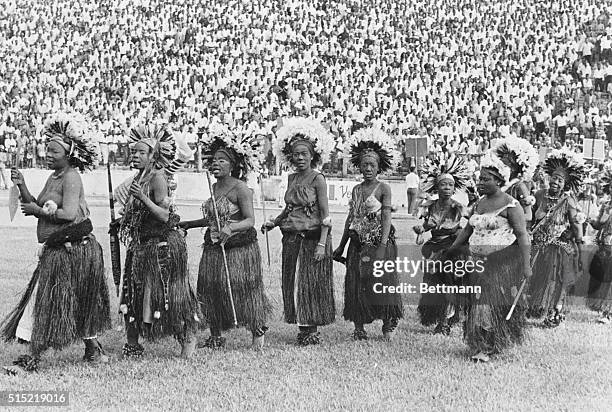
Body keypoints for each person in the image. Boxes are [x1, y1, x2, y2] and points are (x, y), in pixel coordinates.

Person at [2, 112, 111, 374]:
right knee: (72, 300)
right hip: (62, 249)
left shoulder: (71, 177)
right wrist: (22, 184)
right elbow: (36, 204)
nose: (47, 154)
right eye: (46, 149)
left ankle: (35, 357)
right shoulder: (54, 177)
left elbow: (69, 214)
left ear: (68, 154)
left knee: (55, 300)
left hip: (75, 250)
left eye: (53, 150)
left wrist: (38, 211)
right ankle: (93, 350)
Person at [179, 123, 271, 349]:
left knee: (244, 289)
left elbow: (250, 220)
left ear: (233, 164)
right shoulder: (214, 186)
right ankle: (215, 335)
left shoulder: (241, 188)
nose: (216, 164)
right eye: (214, 160)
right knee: (211, 288)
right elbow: (214, 219)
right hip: (214, 247)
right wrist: (188, 224)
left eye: (222, 160)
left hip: (239, 249)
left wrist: (231, 229)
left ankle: (257, 332)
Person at [116, 123, 200, 359]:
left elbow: (163, 215)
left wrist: (142, 197)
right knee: (133, 294)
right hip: (141, 246)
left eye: (142, 152)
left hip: (161, 246)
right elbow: (136, 214)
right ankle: (133, 345)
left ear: (154, 156)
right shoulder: (138, 177)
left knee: (170, 295)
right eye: (134, 151)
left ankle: (188, 339)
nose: (136, 155)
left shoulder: (158, 178)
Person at [447, 152, 531, 362]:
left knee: (490, 303)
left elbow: (522, 235)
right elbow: (467, 231)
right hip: (475, 262)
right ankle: (479, 342)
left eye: (486, 179)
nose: (480, 182)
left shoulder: (512, 205)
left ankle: (489, 345)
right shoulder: (479, 204)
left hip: (499, 263)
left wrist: (527, 265)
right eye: (480, 178)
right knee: (476, 303)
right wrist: (451, 251)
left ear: (499, 181)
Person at [262, 117, 335, 346]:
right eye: (296, 154)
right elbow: (289, 207)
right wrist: (274, 222)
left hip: (313, 239)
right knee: (294, 282)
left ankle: (310, 330)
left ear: (313, 155)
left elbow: (325, 215)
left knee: (310, 284)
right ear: (290, 156)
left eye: (304, 153)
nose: (300, 158)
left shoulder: (318, 179)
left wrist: (323, 245)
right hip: (292, 238)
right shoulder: (292, 178)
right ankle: (302, 327)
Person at [333, 127, 403, 341]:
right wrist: (341, 245)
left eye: (372, 165)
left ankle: (388, 322)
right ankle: (359, 325)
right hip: (358, 243)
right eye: (364, 165)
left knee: (382, 282)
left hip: (379, 243)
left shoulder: (384, 188)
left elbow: (386, 217)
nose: (368, 169)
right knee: (357, 283)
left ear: (379, 166)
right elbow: (351, 219)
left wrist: (382, 246)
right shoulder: (356, 189)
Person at [528, 148, 586, 327]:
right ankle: (537, 307)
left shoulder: (569, 202)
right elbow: (529, 218)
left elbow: (577, 228)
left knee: (555, 280)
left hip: (559, 248)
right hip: (538, 246)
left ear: (565, 184)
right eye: (553, 177)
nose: (555, 182)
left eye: (560, 180)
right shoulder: (538, 195)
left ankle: (554, 313)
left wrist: (581, 252)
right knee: (536, 278)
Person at [414, 156, 470, 335]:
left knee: (449, 285)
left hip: (452, 249)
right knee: (433, 285)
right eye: (443, 184)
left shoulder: (459, 207)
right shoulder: (430, 205)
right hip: (434, 248)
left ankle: (445, 321)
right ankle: (440, 317)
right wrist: (420, 229)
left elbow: (467, 226)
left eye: (450, 185)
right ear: (436, 187)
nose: (446, 188)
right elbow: (424, 226)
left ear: (454, 188)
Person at [493, 136, 539, 226]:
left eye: (505, 165)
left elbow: (528, 216)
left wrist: (504, 216)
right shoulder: (498, 182)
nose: (501, 167)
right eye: (501, 163)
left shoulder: (519, 186)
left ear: (514, 167)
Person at [588, 167, 612, 324]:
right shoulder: (606, 204)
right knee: (603, 276)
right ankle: (602, 307)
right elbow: (598, 225)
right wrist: (588, 220)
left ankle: (607, 313)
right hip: (605, 247)